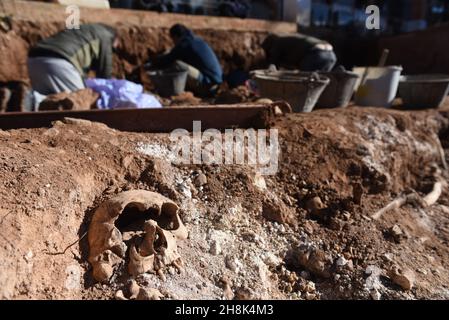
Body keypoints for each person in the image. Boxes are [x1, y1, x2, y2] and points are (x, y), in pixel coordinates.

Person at [27, 23, 119, 96]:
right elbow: (105, 72)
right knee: (80, 100)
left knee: (46, 99)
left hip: (34, 59)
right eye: (113, 49)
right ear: (114, 38)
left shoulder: (84, 30)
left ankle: (31, 98)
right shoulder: (105, 35)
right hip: (60, 62)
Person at [151, 24, 223, 96]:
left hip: (207, 85)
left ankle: (173, 90)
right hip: (214, 84)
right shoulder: (196, 41)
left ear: (176, 36)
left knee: (178, 65)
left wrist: (153, 62)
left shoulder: (184, 44)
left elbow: (168, 59)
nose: (174, 43)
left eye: (173, 40)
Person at [261, 33, 337, 72]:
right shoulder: (288, 39)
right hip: (331, 55)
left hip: (316, 54)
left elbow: (273, 64)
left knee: (304, 81)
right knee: (319, 82)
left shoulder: (277, 43)